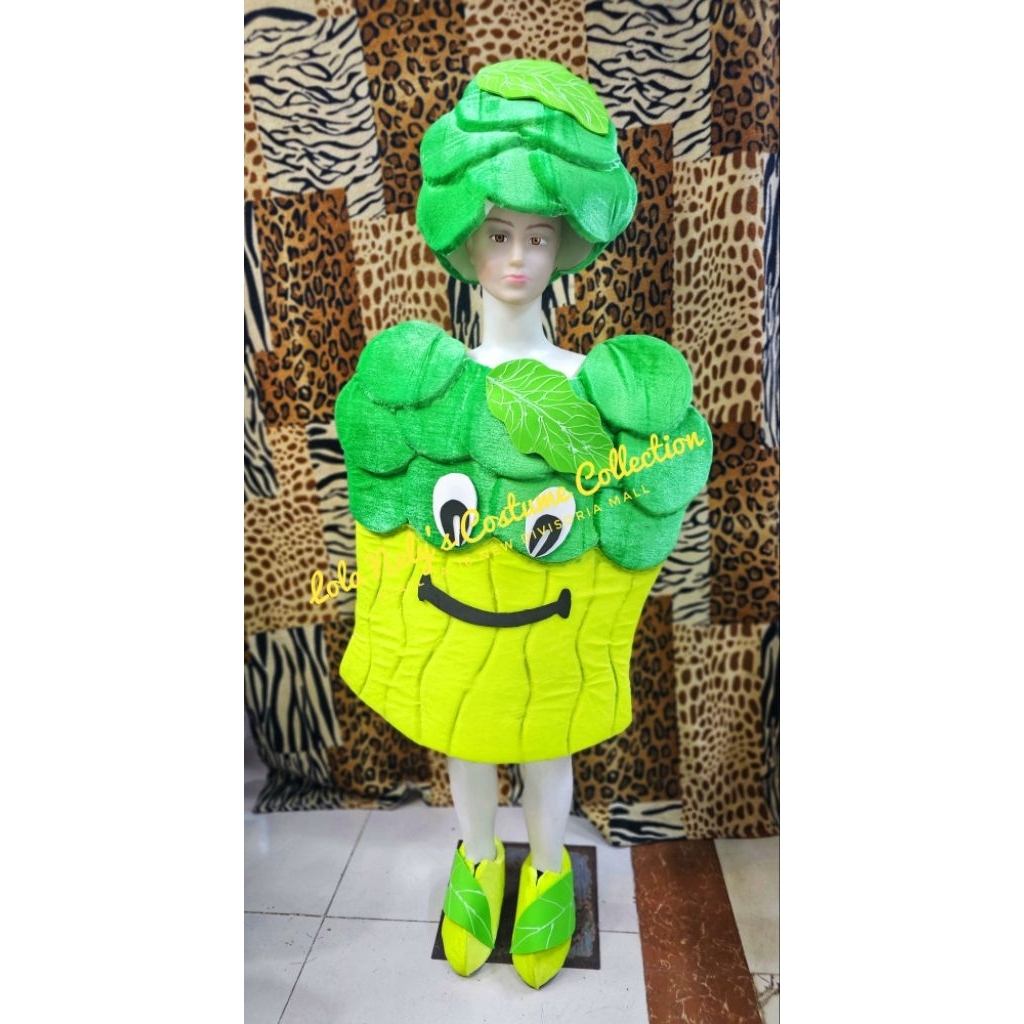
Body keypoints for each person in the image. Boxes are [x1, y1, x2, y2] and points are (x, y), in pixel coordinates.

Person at [334, 59, 712, 989]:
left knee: (547, 741)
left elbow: (639, 513)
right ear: (465, 237)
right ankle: (477, 860)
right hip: (456, 622)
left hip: (551, 632)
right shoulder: (427, 387)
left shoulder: (596, 387)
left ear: (564, 246)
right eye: (499, 233)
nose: (516, 258)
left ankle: (546, 867)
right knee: (464, 732)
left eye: (538, 237)